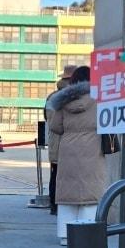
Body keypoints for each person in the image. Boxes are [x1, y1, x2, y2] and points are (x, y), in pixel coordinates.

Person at [46, 65, 108, 244]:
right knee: (91, 191)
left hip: (68, 149)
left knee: (68, 193)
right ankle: (86, 234)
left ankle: (65, 235)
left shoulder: (63, 100)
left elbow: (55, 126)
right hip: (93, 147)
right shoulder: (100, 98)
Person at [48, 65, 79, 214]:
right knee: (70, 176)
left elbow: (48, 118)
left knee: (55, 175)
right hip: (71, 142)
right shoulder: (76, 96)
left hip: (55, 142)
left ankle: (54, 206)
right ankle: (67, 205)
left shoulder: (52, 96)